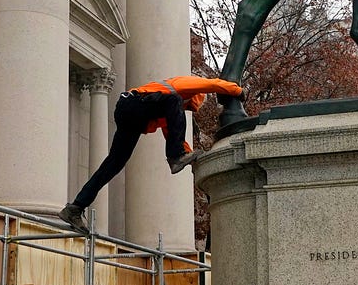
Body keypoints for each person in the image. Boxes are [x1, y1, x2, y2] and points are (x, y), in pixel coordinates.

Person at [58, 75, 243, 233]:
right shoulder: (182, 87)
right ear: (192, 98)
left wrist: (189, 158)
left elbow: (172, 135)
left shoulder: (165, 105)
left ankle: (75, 208)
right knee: (174, 101)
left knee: (113, 164)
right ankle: (176, 158)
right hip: (133, 104)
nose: (185, 110)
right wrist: (236, 91)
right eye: (189, 107)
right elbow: (212, 84)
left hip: (132, 116)